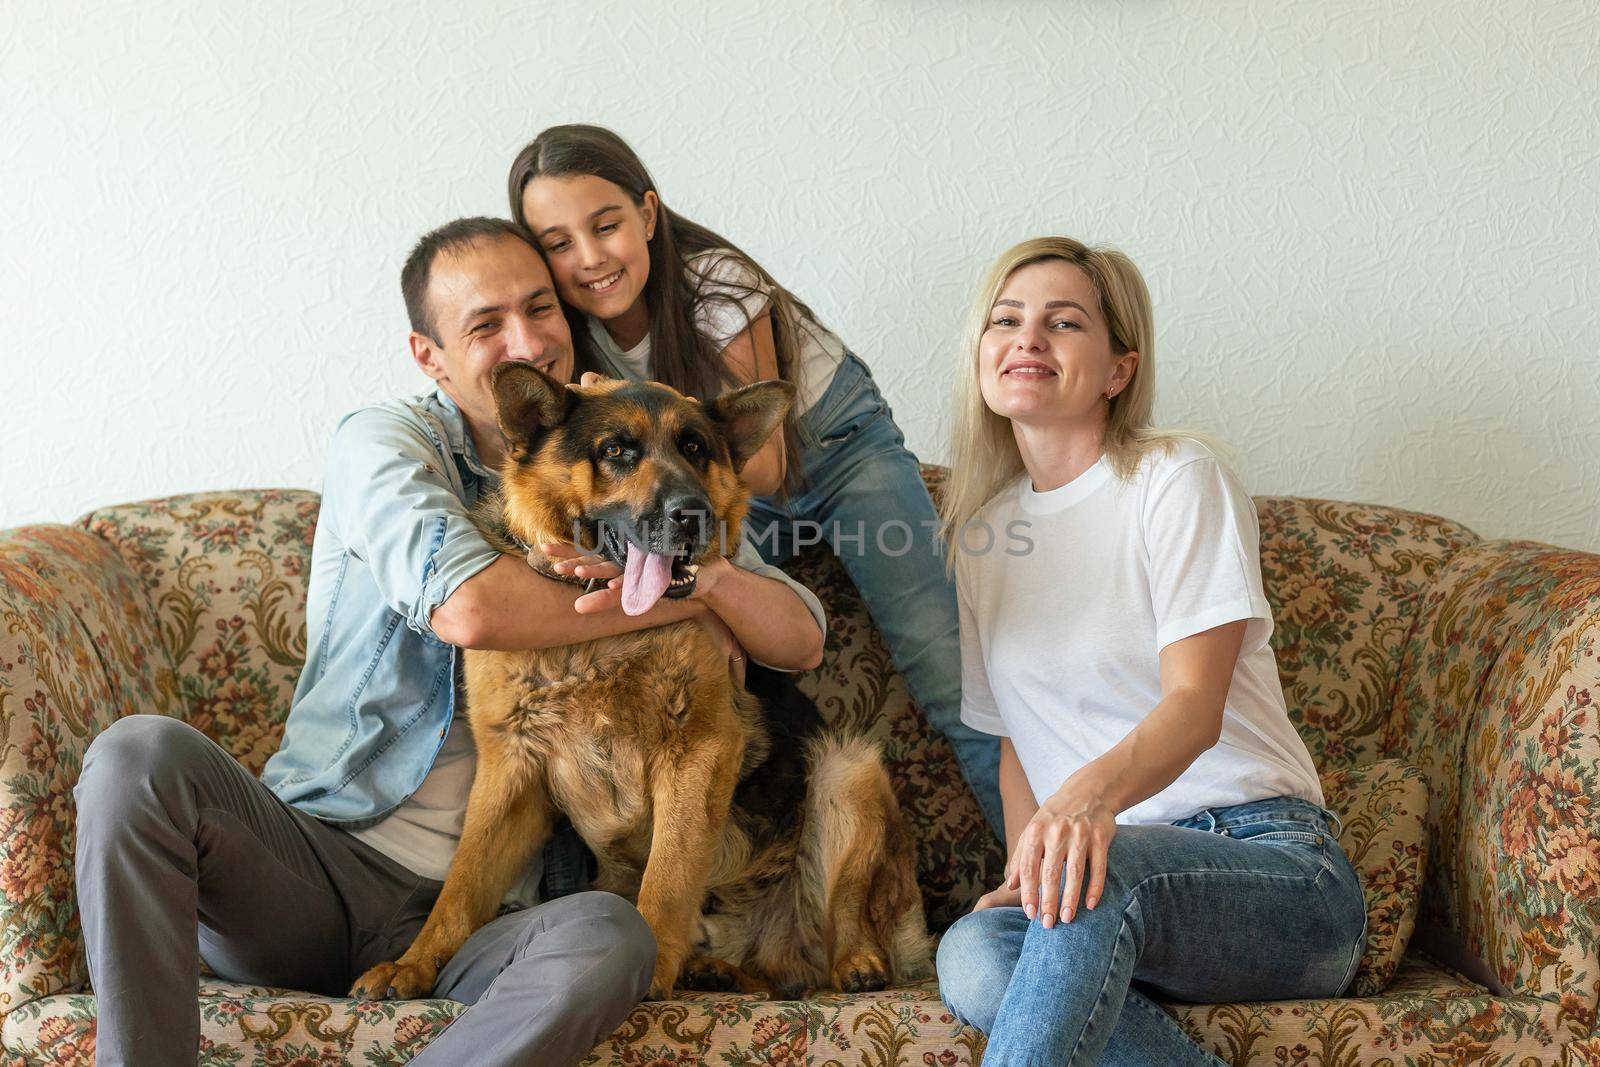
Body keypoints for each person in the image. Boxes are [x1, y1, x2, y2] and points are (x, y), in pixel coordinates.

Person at [73, 217, 826, 1067]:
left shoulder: (631, 443)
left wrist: (706, 577)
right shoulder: (385, 443)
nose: (528, 340)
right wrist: (682, 598)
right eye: (486, 324)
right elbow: (471, 608)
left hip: (496, 914)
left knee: (618, 937)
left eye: (542, 309)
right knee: (137, 755)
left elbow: (797, 631)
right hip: (318, 860)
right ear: (428, 354)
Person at [932, 237, 1367, 1065]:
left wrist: (1089, 805)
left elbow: (1194, 707)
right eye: (1006, 319)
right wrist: (1032, 866)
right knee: (976, 953)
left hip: (1272, 869)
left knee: (1098, 878)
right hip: (1106, 882)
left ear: (1118, 369)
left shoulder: (1176, 479)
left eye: (1063, 323)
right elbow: (1016, 744)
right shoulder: (984, 536)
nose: (1027, 339)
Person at [505, 124, 1003, 837]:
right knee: (710, 603)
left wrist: (621, 394)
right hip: (704, 486)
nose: (588, 258)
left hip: (833, 449)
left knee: (945, 664)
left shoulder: (717, 284)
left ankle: (1038, 878)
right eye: (557, 243)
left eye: (606, 225)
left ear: (647, 214)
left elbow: (763, 469)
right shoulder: (570, 336)